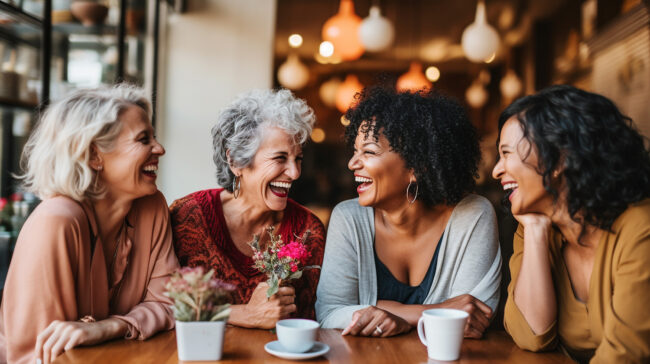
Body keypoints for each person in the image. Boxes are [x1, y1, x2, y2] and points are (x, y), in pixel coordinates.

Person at [0, 85, 179, 364]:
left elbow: (171, 305)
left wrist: (111, 326)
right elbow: (38, 355)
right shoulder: (56, 222)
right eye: (144, 139)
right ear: (94, 155)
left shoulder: (151, 207)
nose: (160, 148)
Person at [316, 87, 502, 338]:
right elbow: (329, 313)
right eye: (354, 150)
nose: (352, 163)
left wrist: (389, 312)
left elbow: (473, 321)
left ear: (417, 166)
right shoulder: (348, 219)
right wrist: (430, 313)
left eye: (369, 151)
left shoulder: (472, 216)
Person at [492, 85, 650, 363]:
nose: (496, 170)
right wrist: (536, 233)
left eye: (506, 154)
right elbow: (532, 336)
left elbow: (625, 355)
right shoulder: (531, 225)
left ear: (559, 159)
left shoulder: (640, 227)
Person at [170, 89, 325, 329]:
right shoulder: (187, 217)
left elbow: (312, 321)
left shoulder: (308, 231)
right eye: (280, 158)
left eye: (298, 159)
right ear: (235, 161)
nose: (294, 173)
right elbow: (161, 306)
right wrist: (243, 314)